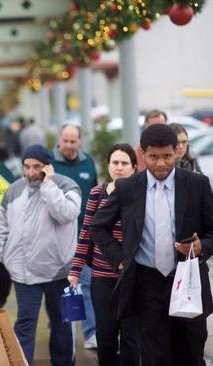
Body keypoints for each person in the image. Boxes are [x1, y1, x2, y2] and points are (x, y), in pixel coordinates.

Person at [90, 123, 213, 365]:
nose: (160, 164)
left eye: (167, 156)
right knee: (155, 357)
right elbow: (98, 226)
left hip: (187, 281)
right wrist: (120, 259)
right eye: (153, 157)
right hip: (147, 285)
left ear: (177, 151)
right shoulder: (128, 188)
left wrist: (204, 247)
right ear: (142, 155)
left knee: (191, 352)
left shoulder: (197, 184)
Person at [0, 145, 81, 365]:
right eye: (27, 166)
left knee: (62, 323)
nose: (31, 172)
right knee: (25, 323)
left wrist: (48, 185)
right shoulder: (14, 189)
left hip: (59, 272)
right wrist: (4, 255)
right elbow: (2, 224)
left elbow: (66, 214)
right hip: (24, 273)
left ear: (48, 167)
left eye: (37, 167)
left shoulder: (67, 186)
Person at [68, 144, 140, 365]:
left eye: (124, 163)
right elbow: (87, 232)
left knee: (131, 340)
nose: (119, 168)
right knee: (106, 339)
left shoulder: (141, 194)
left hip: (132, 278)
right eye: (115, 163)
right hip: (102, 279)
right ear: (108, 166)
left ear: (134, 167)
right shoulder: (97, 193)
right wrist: (76, 270)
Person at [51, 123, 98, 349]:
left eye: (73, 141)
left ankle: (90, 333)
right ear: (59, 139)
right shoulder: (49, 164)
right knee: (59, 284)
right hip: (56, 236)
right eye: (65, 141)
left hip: (84, 234)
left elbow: (96, 194)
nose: (69, 146)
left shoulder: (88, 162)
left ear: (80, 141)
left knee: (87, 283)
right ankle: (59, 329)